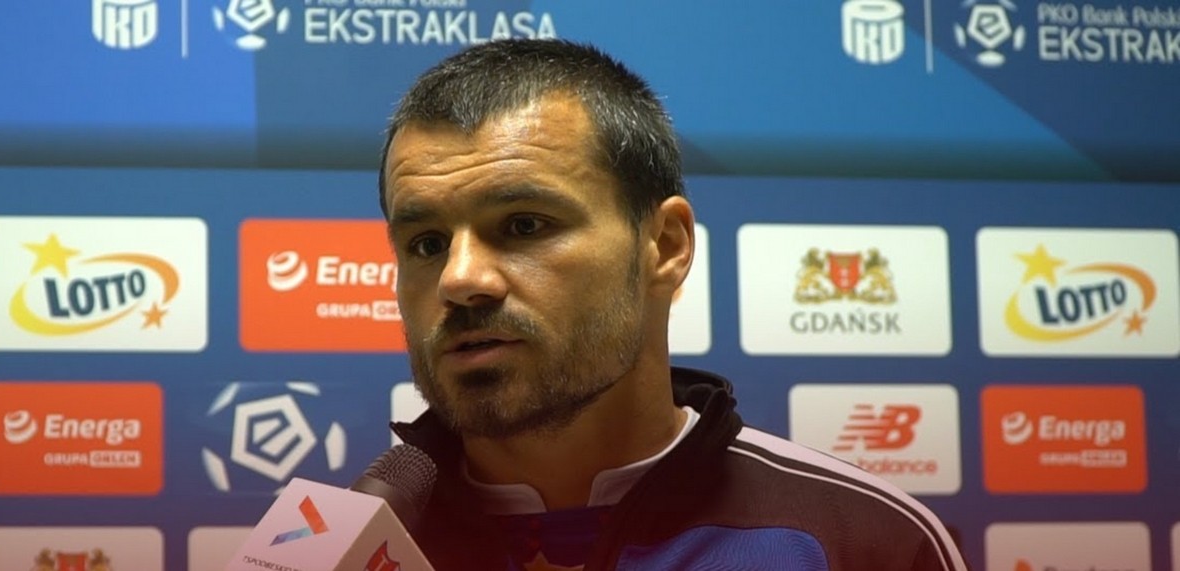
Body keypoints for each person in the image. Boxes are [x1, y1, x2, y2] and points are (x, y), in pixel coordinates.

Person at [380, 39, 967, 571]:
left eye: (524, 225)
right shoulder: (354, 541)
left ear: (665, 246)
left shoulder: (865, 540)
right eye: (427, 244)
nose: (460, 279)